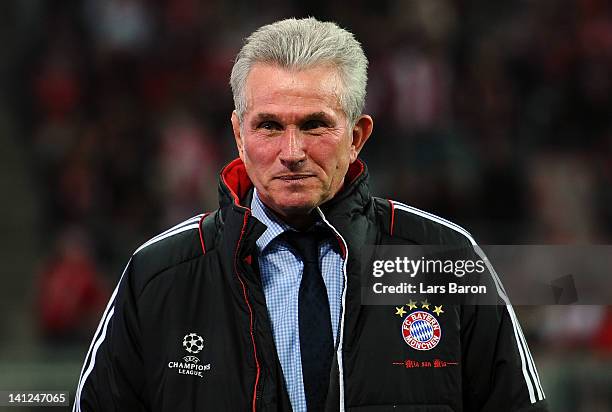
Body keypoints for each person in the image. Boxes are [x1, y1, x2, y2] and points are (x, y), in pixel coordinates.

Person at [73, 18, 548, 412]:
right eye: (269, 126)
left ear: (357, 135)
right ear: (239, 135)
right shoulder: (159, 275)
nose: (292, 151)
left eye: (315, 124)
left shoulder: (444, 258)